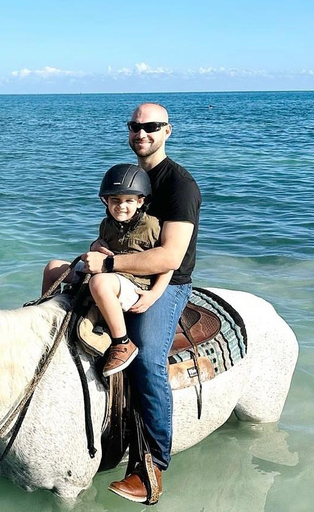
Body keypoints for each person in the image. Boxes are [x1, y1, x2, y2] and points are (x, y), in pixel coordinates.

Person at [81, 103, 201, 503]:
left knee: (148, 358)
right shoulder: (127, 179)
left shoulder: (179, 186)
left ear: (168, 131)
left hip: (166, 285)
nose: (141, 133)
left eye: (151, 126)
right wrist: (99, 249)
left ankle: (151, 465)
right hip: (122, 273)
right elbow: (118, 232)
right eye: (135, 126)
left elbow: (169, 257)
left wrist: (109, 263)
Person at [41, 164, 172, 377]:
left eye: (129, 201)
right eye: (115, 201)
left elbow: (166, 263)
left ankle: (122, 342)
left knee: (99, 283)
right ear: (106, 201)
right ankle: (47, 313)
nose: (121, 206)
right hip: (107, 274)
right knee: (53, 267)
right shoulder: (106, 224)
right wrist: (96, 247)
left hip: (133, 283)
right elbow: (101, 243)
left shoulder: (152, 226)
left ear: (140, 201)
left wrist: (154, 294)